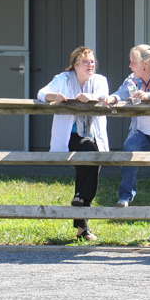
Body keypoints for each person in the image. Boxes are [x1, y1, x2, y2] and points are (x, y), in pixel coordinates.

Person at [102, 44, 150, 242]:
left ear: (145, 63)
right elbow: (121, 92)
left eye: (133, 62)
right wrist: (112, 98)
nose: (130, 65)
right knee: (129, 148)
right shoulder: (133, 79)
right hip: (141, 132)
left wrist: (148, 96)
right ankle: (126, 196)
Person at [38, 47, 110, 241]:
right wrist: (53, 96)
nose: (90, 65)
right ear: (75, 65)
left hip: (93, 135)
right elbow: (42, 93)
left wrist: (92, 97)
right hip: (70, 136)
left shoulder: (100, 80)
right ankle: (82, 204)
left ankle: (81, 223)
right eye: (85, 62)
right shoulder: (63, 79)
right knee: (90, 154)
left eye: (92, 61)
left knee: (87, 170)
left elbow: (104, 95)